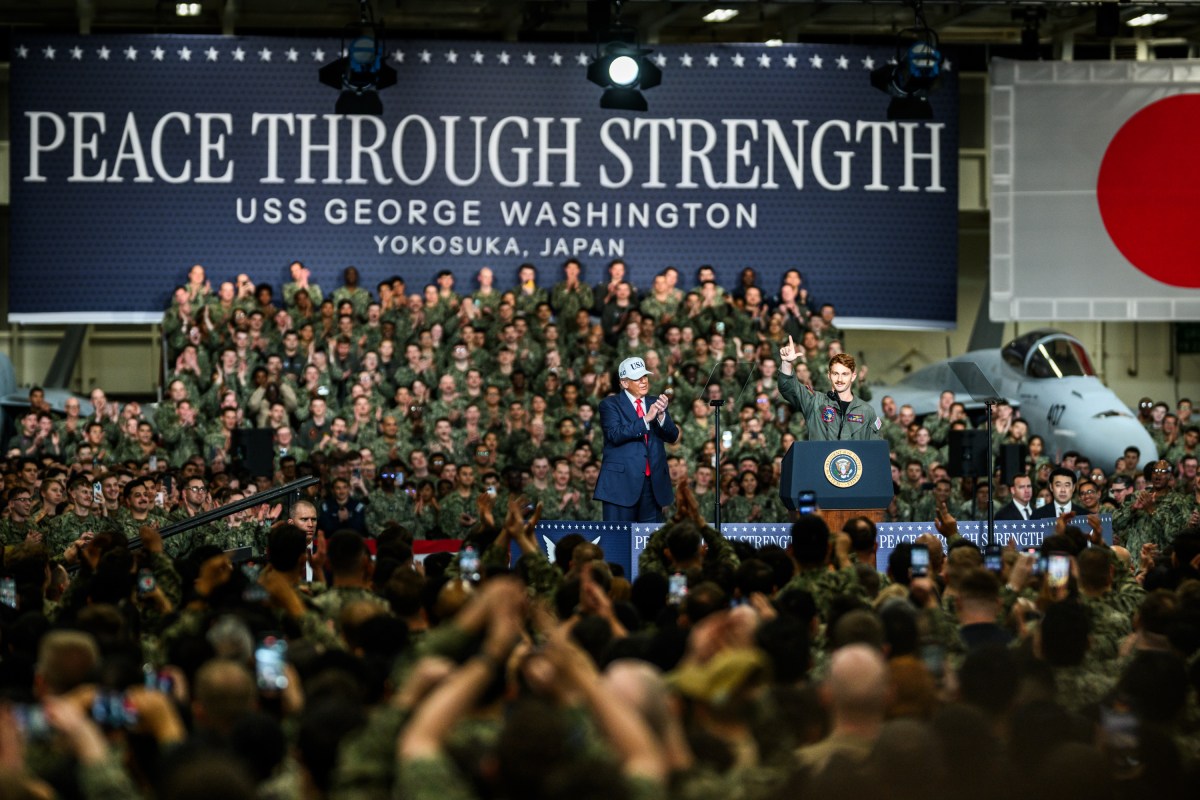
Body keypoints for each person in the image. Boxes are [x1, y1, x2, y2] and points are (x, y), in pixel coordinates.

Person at [594, 357, 680, 522]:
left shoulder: (655, 402)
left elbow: (672, 436)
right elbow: (615, 434)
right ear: (625, 383)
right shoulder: (610, 404)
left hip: (652, 486)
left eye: (645, 377)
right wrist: (646, 419)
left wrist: (662, 416)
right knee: (619, 541)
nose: (643, 381)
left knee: (650, 542)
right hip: (620, 486)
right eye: (637, 378)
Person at [776, 336, 881, 441]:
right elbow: (788, 387)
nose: (840, 379)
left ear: (853, 376)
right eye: (835, 374)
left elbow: (875, 450)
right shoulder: (815, 402)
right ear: (829, 375)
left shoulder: (866, 411)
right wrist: (786, 363)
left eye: (845, 374)